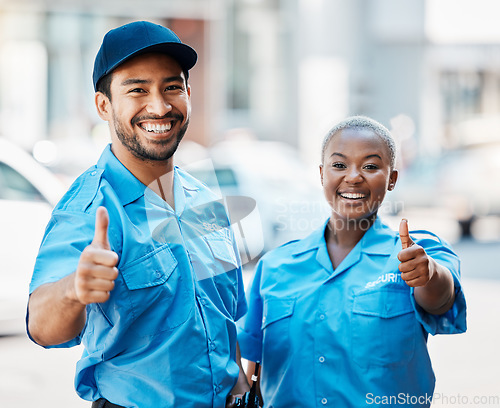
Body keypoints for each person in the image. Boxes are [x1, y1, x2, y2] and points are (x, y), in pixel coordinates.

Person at [27, 21, 250, 408]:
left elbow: (224, 315)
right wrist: (74, 288)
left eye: (172, 87)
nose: (160, 106)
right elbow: (41, 326)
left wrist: (243, 385)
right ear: (104, 105)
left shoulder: (205, 201)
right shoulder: (91, 208)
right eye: (138, 90)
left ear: (189, 94)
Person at [238, 116, 467, 407]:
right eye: (339, 165)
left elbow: (441, 299)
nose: (354, 176)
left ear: (392, 178)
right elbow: (253, 372)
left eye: (371, 166)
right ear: (322, 174)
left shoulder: (418, 251)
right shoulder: (274, 266)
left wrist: (428, 275)